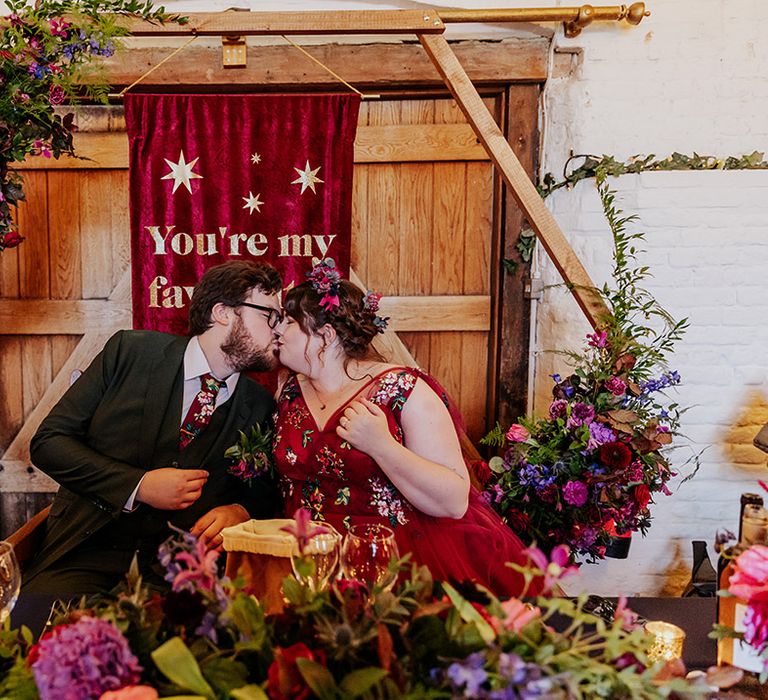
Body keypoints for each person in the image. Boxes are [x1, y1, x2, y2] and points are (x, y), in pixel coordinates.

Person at [272, 259, 538, 597]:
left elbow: (455, 500)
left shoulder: (402, 390)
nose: (278, 330)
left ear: (325, 336)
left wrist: (382, 445)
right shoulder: (289, 390)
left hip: (391, 561)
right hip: (310, 564)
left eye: (289, 322)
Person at [22, 260, 283, 597]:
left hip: (181, 578)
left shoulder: (259, 404)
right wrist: (139, 486)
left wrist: (241, 510)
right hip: (85, 555)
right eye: (269, 316)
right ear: (223, 313)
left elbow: (265, 491)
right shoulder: (129, 353)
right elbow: (49, 443)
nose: (278, 330)